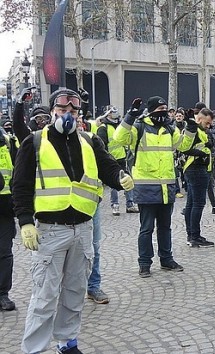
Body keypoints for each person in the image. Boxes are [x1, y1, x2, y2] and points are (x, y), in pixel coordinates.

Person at [13, 88, 134, 354]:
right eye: (63, 110)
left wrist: (120, 177)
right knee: (45, 295)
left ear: (80, 114)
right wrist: (25, 222)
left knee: (75, 292)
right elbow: (19, 185)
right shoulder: (33, 142)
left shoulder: (90, 141)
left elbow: (108, 167)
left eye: (73, 111)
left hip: (83, 229)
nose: (68, 115)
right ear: (53, 111)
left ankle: (67, 342)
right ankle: (34, 349)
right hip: (50, 231)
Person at [114, 96, 184, 278]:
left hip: (166, 188)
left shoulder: (170, 128)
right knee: (146, 228)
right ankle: (144, 263)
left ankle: (166, 259)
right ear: (152, 110)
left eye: (165, 108)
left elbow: (182, 145)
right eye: (160, 108)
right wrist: (130, 116)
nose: (163, 111)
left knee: (165, 227)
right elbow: (119, 138)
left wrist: (190, 126)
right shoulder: (140, 127)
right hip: (146, 188)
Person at [180, 108, 215, 247]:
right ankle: (194, 235)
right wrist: (202, 153)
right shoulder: (194, 130)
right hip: (196, 168)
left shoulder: (201, 131)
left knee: (191, 204)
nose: (208, 126)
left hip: (196, 169)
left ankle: (192, 235)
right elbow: (185, 147)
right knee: (198, 204)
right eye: (207, 123)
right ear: (199, 119)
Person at [97, 106, 139, 215]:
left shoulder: (119, 125)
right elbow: (101, 146)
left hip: (122, 157)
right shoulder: (103, 127)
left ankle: (130, 204)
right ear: (107, 114)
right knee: (114, 183)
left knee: (128, 180)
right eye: (112, 112)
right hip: (111, 159)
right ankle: (115, 205)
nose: (115, 114)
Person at [0, 126, 17, 311]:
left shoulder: (8, 141)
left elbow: (18, 173)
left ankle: (3, 293)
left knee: (4, 252)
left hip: (5, 208)